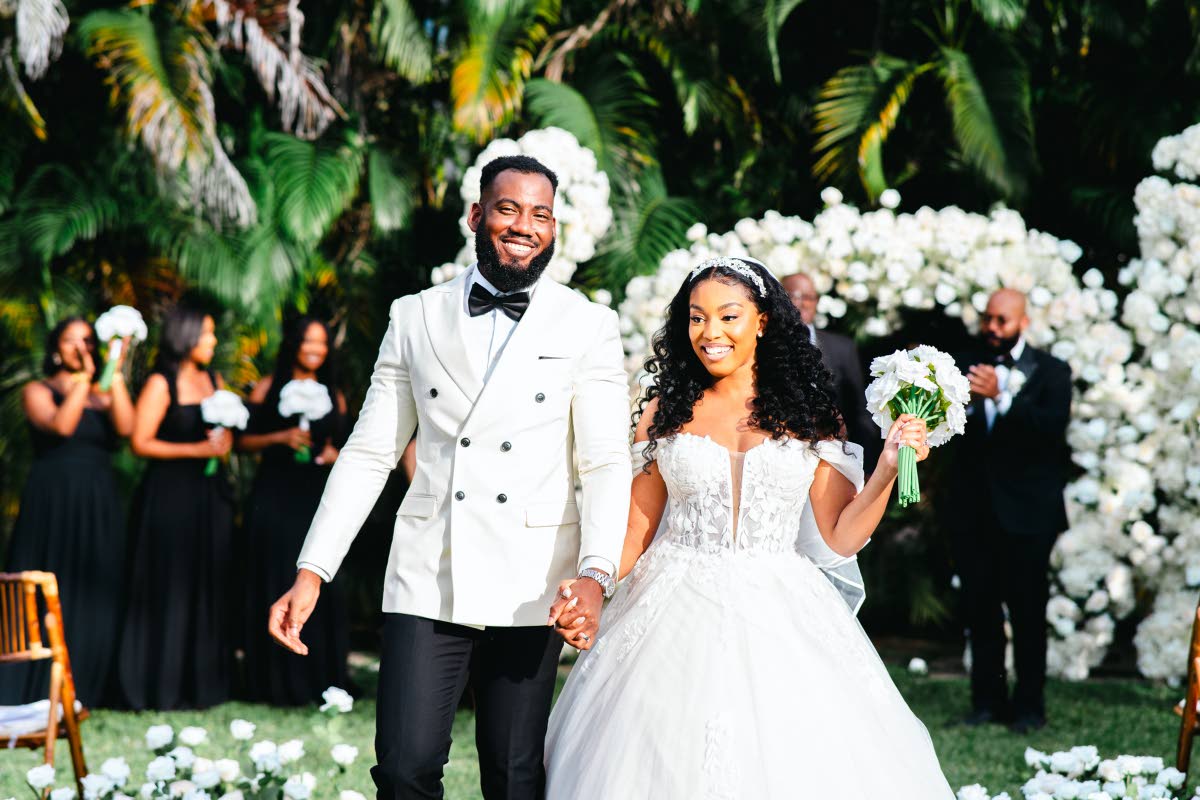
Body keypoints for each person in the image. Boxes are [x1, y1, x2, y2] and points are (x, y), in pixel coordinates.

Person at [268, 154, 631, 800]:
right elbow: (369, 453)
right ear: (476, 215)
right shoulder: (414, 316)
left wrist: (597, 572)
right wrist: (311, 570)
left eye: (540, 214)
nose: (524, 225)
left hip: (535, 577)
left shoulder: (587, 325)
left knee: (514, 773)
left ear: (555, 229)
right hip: (428, 568)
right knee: (404, 769)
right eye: (508, 208)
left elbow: (604, 461)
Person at [544, 257, 953, 799]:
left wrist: (885, 468)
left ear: (762, 320)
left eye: (728, 316)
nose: (710, 333)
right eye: (696, 318)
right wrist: (594, 584)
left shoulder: (810, 414)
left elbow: (839, 537)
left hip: (782, 604)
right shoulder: (665, 411)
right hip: (669, 604)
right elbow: (636, 531)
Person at [944, 288, 1072, 733]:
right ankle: (986, 702)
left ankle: (1029, 707)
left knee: (1028, 613)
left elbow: (1051, 430)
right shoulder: (961, 366)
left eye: (1002, 320)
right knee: (980, 612)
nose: (993, 328)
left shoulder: (1052, 371)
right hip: (974, 513)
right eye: (988, 320)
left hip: (1029, 516)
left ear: (1023, 321)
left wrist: (1002, 398)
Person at [1, 317, 134, 707]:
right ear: (56, 348)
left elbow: (126, 428)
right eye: (70, 341)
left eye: (86, 341)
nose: (80, 348)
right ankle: (34, 683)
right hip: (53, 500)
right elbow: (62, 426)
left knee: (96, 586)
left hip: (97, 499)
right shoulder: (37, 390)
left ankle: (87, 684)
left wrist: (115, 373)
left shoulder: (103, 391)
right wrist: (82, 382)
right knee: (49, 582)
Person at [118, 305, 236, 710]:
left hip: (210, 496)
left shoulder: (213, 378)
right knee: (167, 585)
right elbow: (140, 441)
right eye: (207, 333)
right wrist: (196, 449)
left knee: (206, 583)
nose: (213, 341)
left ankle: (200, 685)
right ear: (186, 335)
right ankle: (156, 685)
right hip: (169, 498)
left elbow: (223, 438)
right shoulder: (160, 382)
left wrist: (221, 446)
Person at [237, 315, 350, 705]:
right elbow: (242, 443)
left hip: (316, 497)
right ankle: (270, 680)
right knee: (275, 571)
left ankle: (320, 677)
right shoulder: (268, 387)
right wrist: (279, 437)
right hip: (274, 494)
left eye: (321, 343)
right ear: (294, 345)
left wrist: (334, 455)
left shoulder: (334, 394)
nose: (315, 350)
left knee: (316, 574)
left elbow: (346, 449)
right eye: (308, 342)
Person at [780, 272, 879, 461]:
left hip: (834, 454)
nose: (801, 303)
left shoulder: (842, 347)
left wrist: (867, 465)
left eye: (809, 297)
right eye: (793, 296)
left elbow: (859, 409)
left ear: (816, 302)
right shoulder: (763, 344)